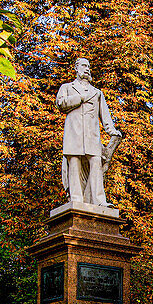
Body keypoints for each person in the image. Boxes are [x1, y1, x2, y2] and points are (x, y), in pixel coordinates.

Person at [56, 58, 122, 206]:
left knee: (96, 164)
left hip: (92, 136)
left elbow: (104, 115)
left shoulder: (96, 92)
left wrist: (112, 131)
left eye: (88, 66)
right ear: (76, 68)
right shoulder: (67, 87)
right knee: (74, 165)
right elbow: (60, 103)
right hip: (74, 134)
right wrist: (80, 98)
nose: (87, 69)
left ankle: (99, 201)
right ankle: (76, 200)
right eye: (84, 66)